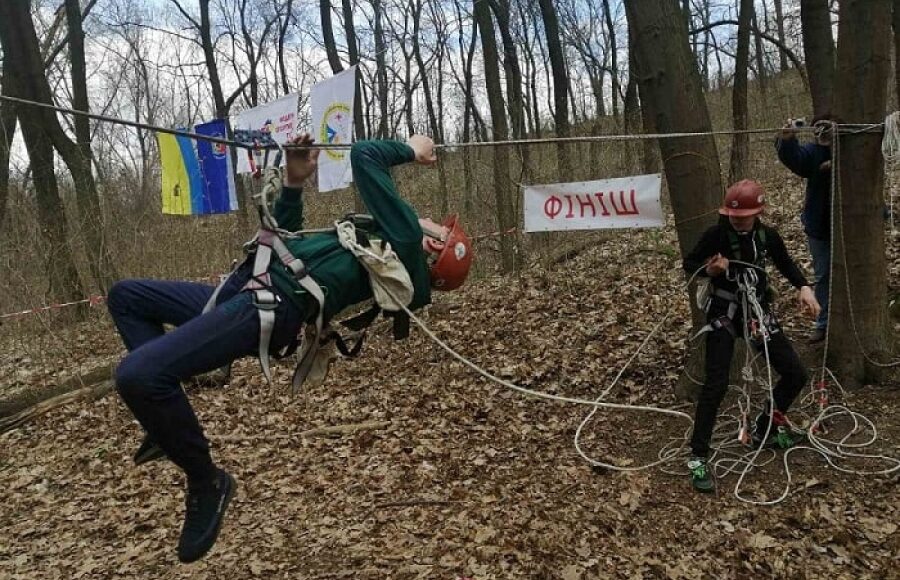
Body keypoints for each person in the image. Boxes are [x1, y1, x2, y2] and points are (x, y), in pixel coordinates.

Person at [106, 134, 473, 562]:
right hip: (250, 285)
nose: (432, 220)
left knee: (138, 376)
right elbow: (285, 238)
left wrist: (412, 149)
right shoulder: (377, 243)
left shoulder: (406, 245)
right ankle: (164, 420)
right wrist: (295, 183)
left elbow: (366, 156)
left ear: (434, 246)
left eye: (439, 227)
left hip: (271, 306)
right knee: (125, 296)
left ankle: (206, 479)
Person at [682, 180, 820, 493]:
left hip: (757, 312)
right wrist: (710, 271)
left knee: (795, 373)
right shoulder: (715, 235)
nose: (737, 220)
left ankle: (765, 428)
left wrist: (804, 287)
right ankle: (698, 455)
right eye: (733, 215)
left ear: (757, 213)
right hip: (724, 313)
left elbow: (785, 263)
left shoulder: (767, 236)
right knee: (716, 383)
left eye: (743, 216)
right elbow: (688, 264)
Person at [775, 114, 835, 343]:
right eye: (820, 127)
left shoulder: (854, 147)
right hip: (819, 225)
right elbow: (796, 160)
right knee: (823, 275)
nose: (824, 132)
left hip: (850, 224)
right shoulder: (812, 152)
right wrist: (788, 139)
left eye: (828, 127)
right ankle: (823, 322)